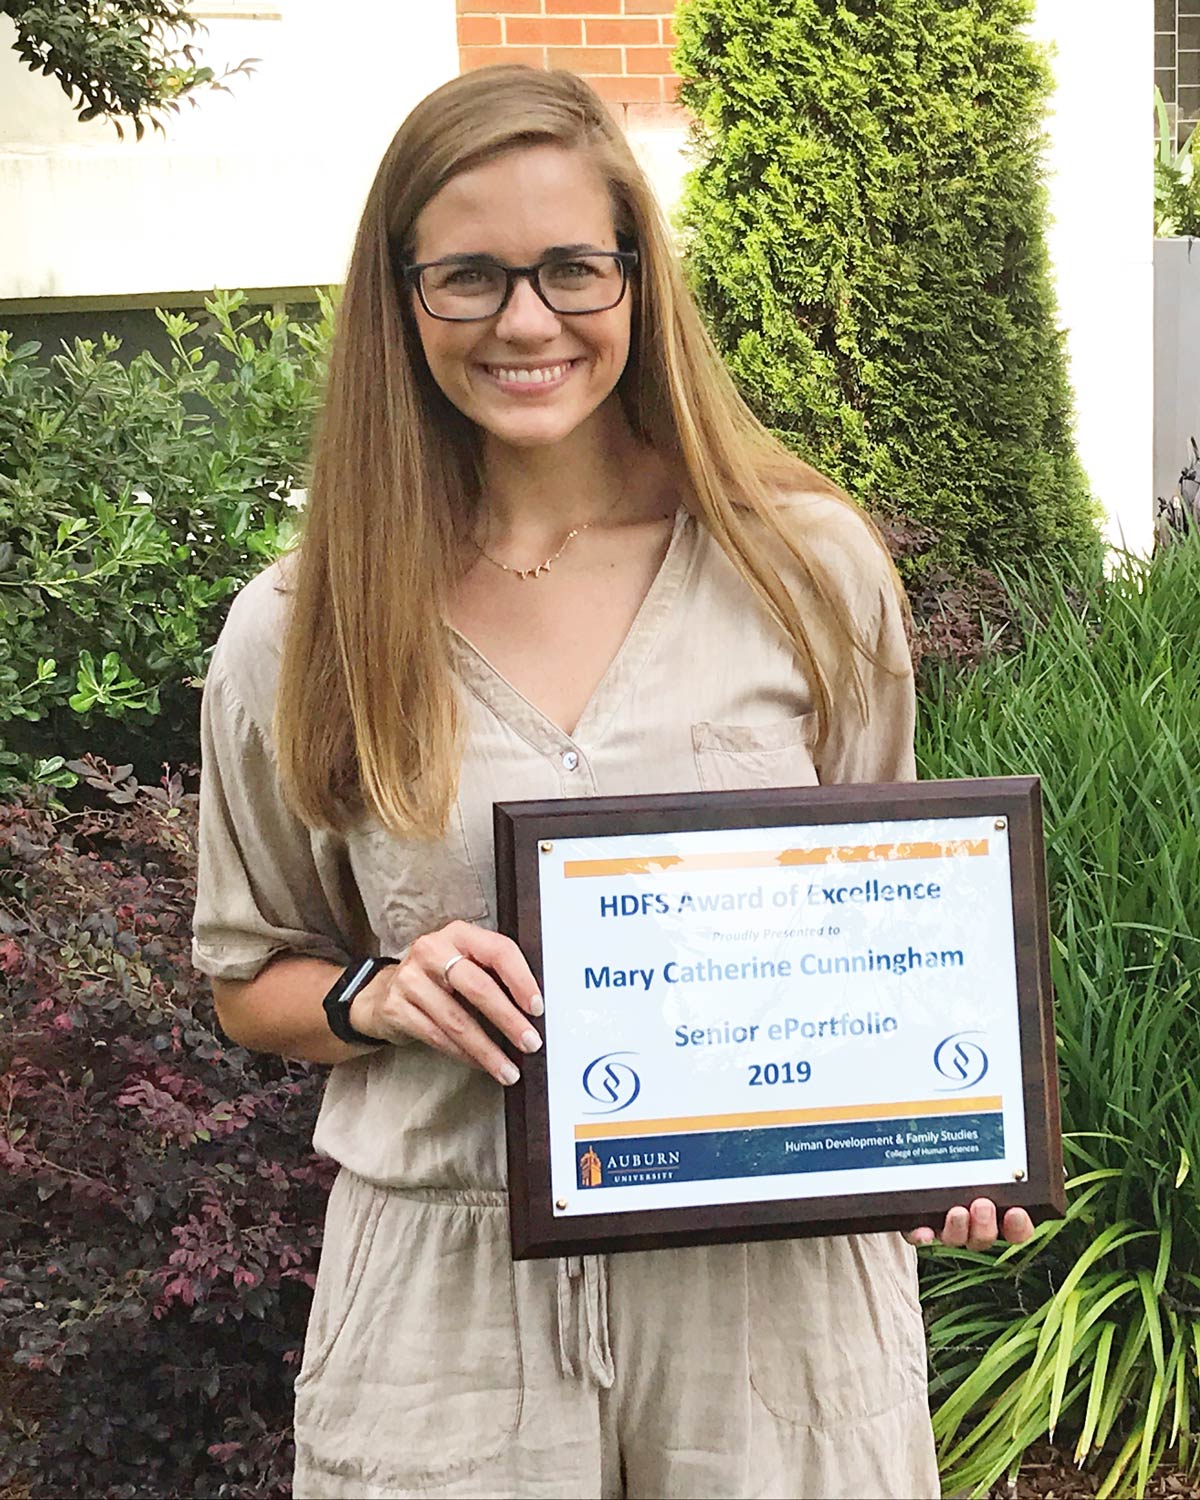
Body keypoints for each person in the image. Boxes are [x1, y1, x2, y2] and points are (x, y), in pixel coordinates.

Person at [192, 65, 1033, 1500]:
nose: (527, 322)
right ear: (402, 300)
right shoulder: (303, 625)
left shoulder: (805, 569)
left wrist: (935, 1132)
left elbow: (892, 921)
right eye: (468, 277)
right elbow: (248, 974)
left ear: (638, 278)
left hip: (776, 1310)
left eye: (572, 267)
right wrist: (373, 995)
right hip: (448, 1307)